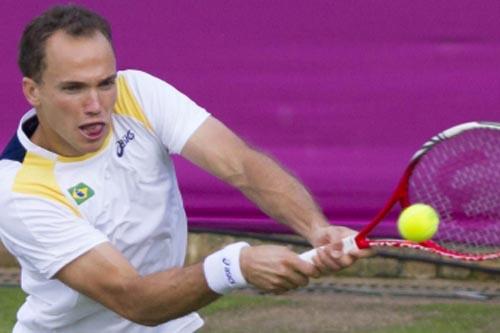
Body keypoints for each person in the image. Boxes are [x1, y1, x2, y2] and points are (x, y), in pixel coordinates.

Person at [0, 4, 368, 333]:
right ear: (33, 92)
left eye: (105, 83)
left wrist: (316, 229)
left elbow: (239, 163)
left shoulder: (137, 93)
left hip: (171, 322)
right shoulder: (18, 191)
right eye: (74, 88)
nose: (96, 104)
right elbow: (134, 299)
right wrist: (234, 266)